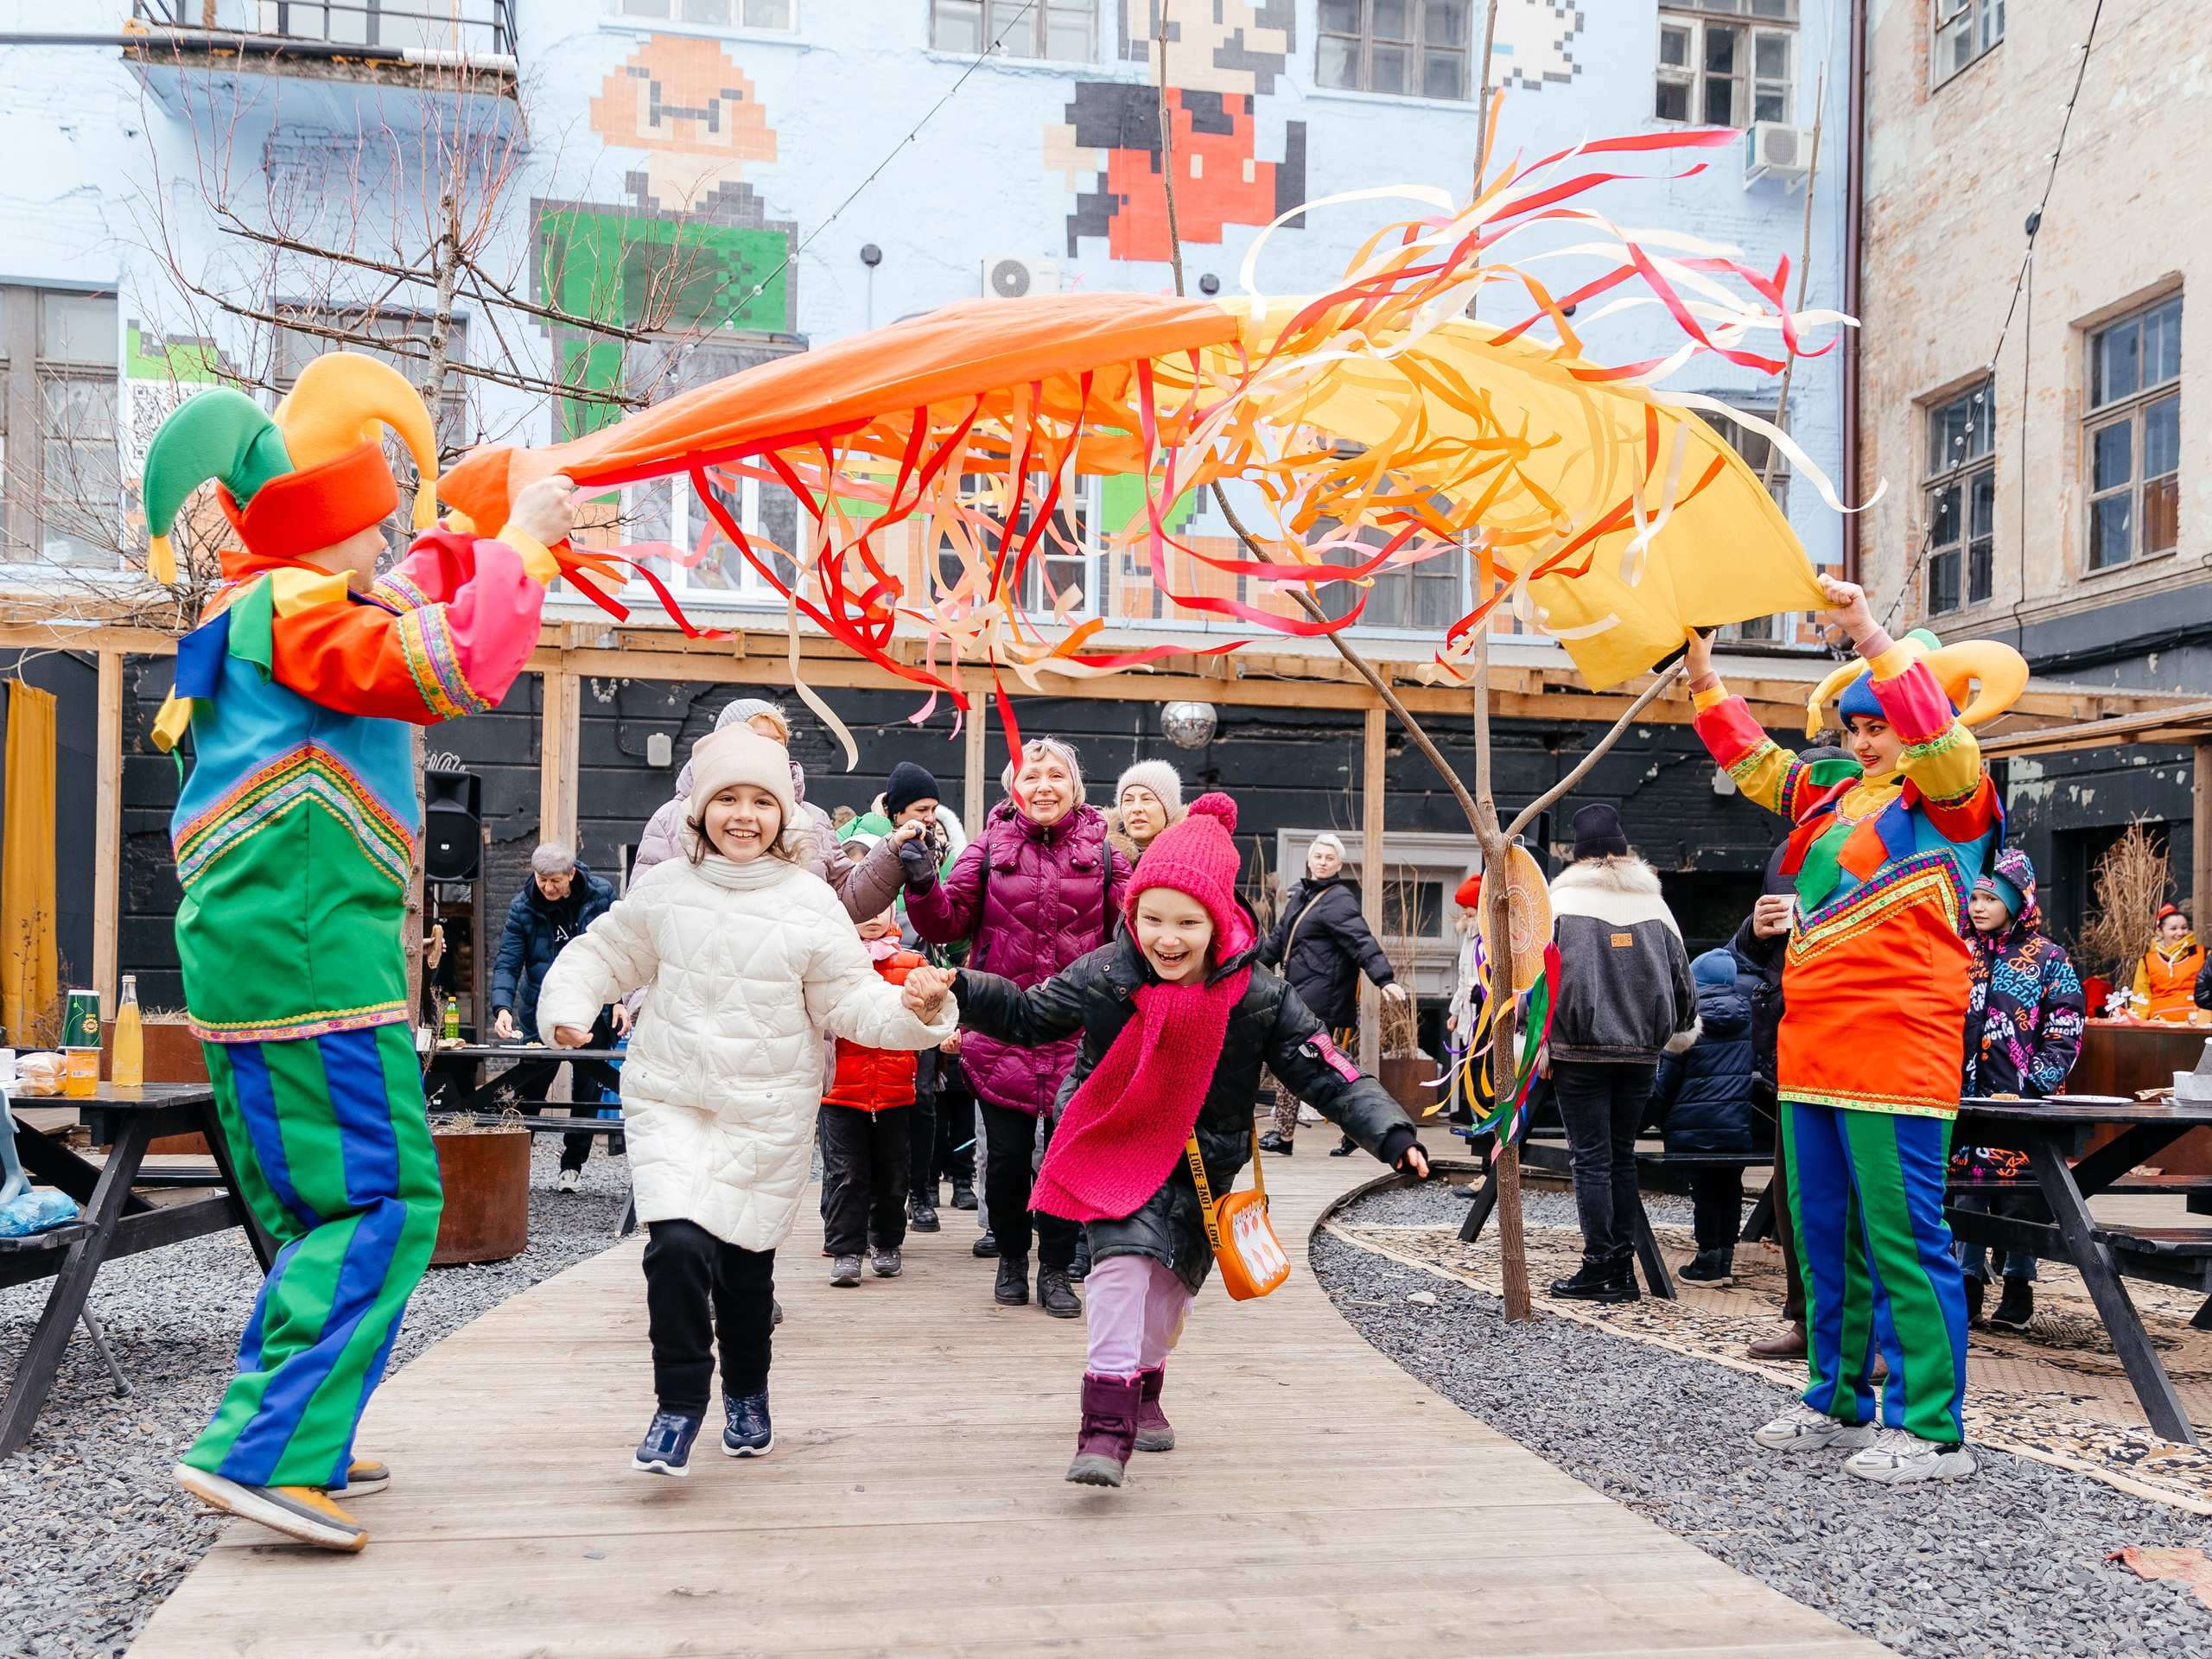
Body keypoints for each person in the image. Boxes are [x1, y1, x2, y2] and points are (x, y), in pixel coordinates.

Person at [143, 353, 568, 1551]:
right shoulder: (298, 608)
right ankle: (264, 1451)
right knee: (382, 1201)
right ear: (328, 539)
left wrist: (476, 525)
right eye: (374, 529)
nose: (390, 544)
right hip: (312, 966)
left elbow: (403, 599)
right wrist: (523, 553)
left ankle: (306, 1428)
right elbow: (438, 663)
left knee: (318, 1209)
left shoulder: (267, 608)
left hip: (267, 963)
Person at [909, 794, 1427, 1488]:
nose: (1167, 938)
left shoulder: (1259, 996)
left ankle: (1145, 1382)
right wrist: (962, 988)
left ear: (1220, 922)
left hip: (1199, 1171)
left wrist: (1391, 1131)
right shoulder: (1106, 973)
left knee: (1164, 1299)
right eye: (1152, 918)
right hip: (1112, 1143)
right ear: (1134, 915)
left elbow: (1323, 1068)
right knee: (1119, 1272)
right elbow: (1032, 1016)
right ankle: (1105, 1424)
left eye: (1188, 922)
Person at [536, 728, 957, 1478]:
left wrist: (918, 1012)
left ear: (783, 813)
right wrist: (570, 1000)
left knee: (742, 1268)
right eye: (726, 798)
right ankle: (677, 1405)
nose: (742, 814)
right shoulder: (663, 889)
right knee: (675, 1248)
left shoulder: (807, 903)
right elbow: (604, 950)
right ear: (699, 809)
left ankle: (748, 1392)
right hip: (671, 1096)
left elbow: (854, 1003)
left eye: (760, 800)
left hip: (765, 1109)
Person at [1686, 576, 2018, 1485]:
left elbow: (1939, 741)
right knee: (1824, 1237)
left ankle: (1933, 1428)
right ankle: (1835, 1400)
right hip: (1812, 1050)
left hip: (1899, 1049)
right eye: (1857, 727)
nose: (1867, 740)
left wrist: (1868, 631)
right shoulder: (1829, 801)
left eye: (1881, 725)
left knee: (1904, 1238)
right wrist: (1704, 678)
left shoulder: (1955, 798)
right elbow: (1758, 763)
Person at [902, 737, 1132, 1318]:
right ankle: (1011, 1255)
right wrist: (925, 882)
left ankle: (1056, 1268)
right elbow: (948, 920)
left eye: (1056, 776)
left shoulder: (1106, 852)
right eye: (1032, 777)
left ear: (1075, 787)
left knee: (1063, 1159)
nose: (1044, 786)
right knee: (1004, 1161)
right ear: (1014, 788)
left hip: (1077, 1035)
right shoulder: (988, 846)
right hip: (1001, 1028)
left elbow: (1134, 931)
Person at [1542, 803, 1699, 1303]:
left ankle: (1601, 1268)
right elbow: (1685, 987)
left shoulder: (1559, 905)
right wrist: (1673, 1031)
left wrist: (1534, 1043)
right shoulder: (1655, 905)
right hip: (1640, 1053)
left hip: (1577, 1050)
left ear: (1578, 854)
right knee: (1622, 1157)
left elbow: (1537, 985)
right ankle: (1623, 1268)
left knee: (1590, 1160)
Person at [1952, 849, 2085, 1331]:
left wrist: (2037, 1084)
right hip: (1961, 1096)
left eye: (1990, 897)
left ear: (2016, 900)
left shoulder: (2048, 957)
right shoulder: (1956, 951)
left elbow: (2066, 1023)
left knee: (2021, 1197)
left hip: (2022, 1099)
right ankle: (1966, 1281)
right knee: (1966, 1191)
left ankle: (2018, 1283)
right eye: (1973, 897)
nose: (1978, 906)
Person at [632, 698, 912, 921]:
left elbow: (846, 900)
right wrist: (647, 996)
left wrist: (891, 853)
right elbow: (638, 924)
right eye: (756, 740)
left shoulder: (811, 821)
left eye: (776, 746)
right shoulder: (673, 819)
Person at [1255, 831, 1408, 1155]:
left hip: (1323, 996)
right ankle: (1287, 1135)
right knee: (1304, 1063)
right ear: (1310, 860)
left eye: (1330, 858)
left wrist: (1384, 979)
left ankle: (1351, 1130)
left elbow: (1361, 941)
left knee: (1321, 1067)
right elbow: (1279, 939)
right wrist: (1249, 970)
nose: (1323, 862)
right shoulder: (1301, 894)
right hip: (1300, 992)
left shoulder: (1338, 899)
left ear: (1338, 864)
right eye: (1318, 856)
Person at [488, 841, 623, 1192]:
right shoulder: (523, 906)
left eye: (555, 881)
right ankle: (513, 1169)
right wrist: (501, 1007)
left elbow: (619, 950)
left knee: (588, 1090)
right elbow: (508, 961)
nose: (547, 887)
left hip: (593, 1008)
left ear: (571, 874)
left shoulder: (600, 895)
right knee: (530, 1090)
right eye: (541, 879)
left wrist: (621, 1000)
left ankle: (572, 1168)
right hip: (541, 1010)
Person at [818, 907, 930, 1285]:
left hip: (894, 1089)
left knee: (893, 1174)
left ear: (893, 910)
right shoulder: (831, 964)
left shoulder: (912, 962)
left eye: (880, 908)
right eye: (860, 910)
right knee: (846, 1174)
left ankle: (886, 1244)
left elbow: (931, 1015)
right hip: (841, 1091)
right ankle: (846, 1251)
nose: (872, 917)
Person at [1649, 949, 1758, 1282]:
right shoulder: (1750, 1018)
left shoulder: (1687, 1024)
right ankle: (1725, 1259)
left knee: (1706, 1192)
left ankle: (1707, 1262)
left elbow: (1665, 1085)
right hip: (1738, 1127)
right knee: (1730, 1189)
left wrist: (1648, 1119)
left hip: (1694, 1129)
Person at [1105, 760, 1185, 865]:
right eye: (1128, 800)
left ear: (1168, 811)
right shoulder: (1100, 854)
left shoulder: (1187, 856)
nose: (1136, 808)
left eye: (1147, 799)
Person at [2133, 905, 2202, 1023]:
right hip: (2159, 1025)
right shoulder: (2147, 961)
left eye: (2184, 927)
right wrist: (2139, 1023)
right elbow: (2142, 996)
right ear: (2160, 932)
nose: (2180, 933)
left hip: (2197, 1023)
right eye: (2173, 929)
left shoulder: (2204, 955)